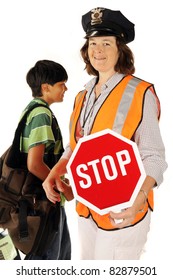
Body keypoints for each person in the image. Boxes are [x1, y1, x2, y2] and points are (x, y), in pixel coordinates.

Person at [43, 8, 167, 260]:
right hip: (87, 210)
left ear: (120, 49)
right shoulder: (82, 96)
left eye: (106, 43)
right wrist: (54, 172)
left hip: (124, 210)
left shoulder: (140, 92)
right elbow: (76, 147)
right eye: (93, 43)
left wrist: (140, 199)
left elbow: (154, 157)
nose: (98, 50)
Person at [20, 60, 72, 260]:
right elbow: (34, 164)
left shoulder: (31, 110)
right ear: (45, 87)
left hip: (43, 202)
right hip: (44, 203)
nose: (65, 88)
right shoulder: (41, 114)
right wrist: (59, 185)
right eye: (62, 84)